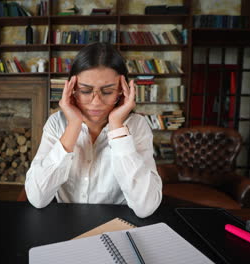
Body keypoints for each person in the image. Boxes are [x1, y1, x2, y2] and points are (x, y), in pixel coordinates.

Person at [25, 42, 162, 218]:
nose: (96, 102)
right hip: (65, 223)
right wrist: (73, 126)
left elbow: (146, 207)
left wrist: (117, 126)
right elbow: (37, 198)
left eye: (107, 91)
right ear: (72, 89)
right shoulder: (56, 123)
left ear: (122, 90)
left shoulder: (137, 126)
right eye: (85, 90)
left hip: (117, 224)